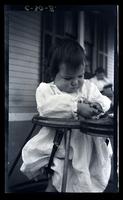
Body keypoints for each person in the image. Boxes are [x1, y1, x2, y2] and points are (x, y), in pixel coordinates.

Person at [20, 39, 113, 193]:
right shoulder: (47, 90)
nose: (75, 83)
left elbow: (103, 100)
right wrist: (75, 107)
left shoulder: (88, 88)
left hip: (86, 149)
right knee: (57, 181)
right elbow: (46, 107)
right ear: (53, 73)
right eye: (68, 78)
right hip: (59, 146)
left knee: (84, 181)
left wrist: (99, 106)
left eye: (80, 76)